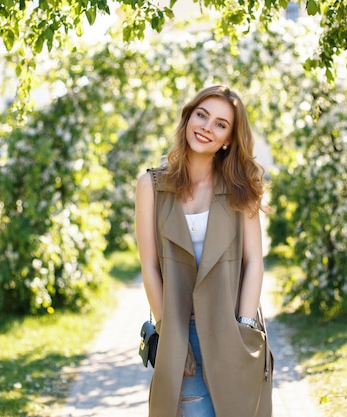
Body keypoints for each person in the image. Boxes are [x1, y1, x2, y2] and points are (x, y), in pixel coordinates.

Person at [135, 85, 273, 417]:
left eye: (220, 124)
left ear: (228, 138)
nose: (206, 128)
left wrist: (244, 325)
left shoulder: (242, 187)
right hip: (180, 332)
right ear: (188, 118)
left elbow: (254, 261)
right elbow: (150, 266)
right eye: (201, 115)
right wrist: (167, 330)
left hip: (233, 327)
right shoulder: (151, 186)